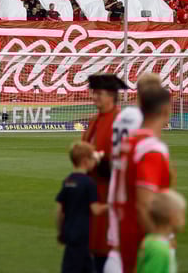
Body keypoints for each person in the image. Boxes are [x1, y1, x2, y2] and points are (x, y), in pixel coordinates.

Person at [118, 76, 173, 273]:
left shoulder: (129, 142)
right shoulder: (151, 148)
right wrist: (161, 240)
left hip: (123, 230)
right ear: (166, 110)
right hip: (143, 238)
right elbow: (144, 204)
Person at [82, 73, 126, 273]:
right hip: (92, 194)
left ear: (111, 95)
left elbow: (123, 164)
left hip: (108, 194)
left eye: (98, 93)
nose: (94, 97)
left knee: (104, 251)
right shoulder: (95, 120)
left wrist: (96, 162)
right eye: (93, 93)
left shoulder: (120, 122)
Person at [105, 82, 145, 273]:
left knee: (116, 248)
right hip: (132, 190)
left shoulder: (120, 117)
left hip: (115, 188)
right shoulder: (141, 124)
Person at [57, 142, 107, 273]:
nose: (94, 161)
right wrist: (112, 205)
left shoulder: (68, 181)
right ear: (85, 161)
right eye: (92, 159)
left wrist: (60, 231)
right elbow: (96, 209)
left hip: (69, 233)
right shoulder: (89, 183)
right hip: (83, 235)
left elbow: (60, 211)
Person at [136, 190, 186, 273]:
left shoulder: (149, 240)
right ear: (172, 218)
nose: (184, 219)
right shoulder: (159, 250)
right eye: (182, 214)